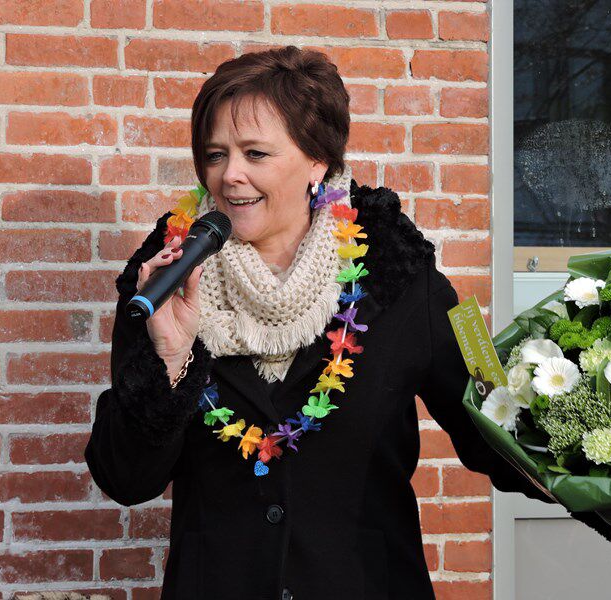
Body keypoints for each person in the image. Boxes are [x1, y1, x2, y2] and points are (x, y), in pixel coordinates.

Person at [84, 46, 557, 600]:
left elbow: (497, 433)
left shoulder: (399, 278)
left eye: (255, 153)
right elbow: (126, 479)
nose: (230, 175)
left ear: (318, 161)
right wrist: (169, 358)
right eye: (215, 155)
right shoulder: (162, 283)